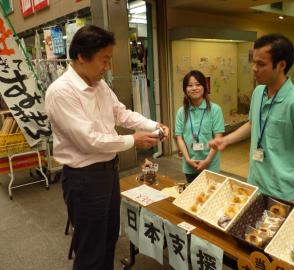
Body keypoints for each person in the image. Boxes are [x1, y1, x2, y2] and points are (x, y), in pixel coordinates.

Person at [45, 25, 169, 270]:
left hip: (108, 172)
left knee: (109, 238)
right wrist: (134, 140)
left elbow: (122, 115)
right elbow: (89, 140)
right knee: (90, 249)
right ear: (82, 56)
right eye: (105, 59)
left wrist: (153, 124)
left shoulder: (99, 85)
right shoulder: (60, 92)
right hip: (84, 179)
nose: (108, 66)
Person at [209, 34, 294, 201]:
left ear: (281, 65)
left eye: (261, 64)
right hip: (255, 184)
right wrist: (226, 140)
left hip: (281, 192)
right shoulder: (258, 92)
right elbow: (252, 124)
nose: (254, 68)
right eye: (253, 62)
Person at [175, 70, 224, 182]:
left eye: (198, 84)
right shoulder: (181, 112)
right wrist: (187, 159)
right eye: (190, 85)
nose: (194, 88)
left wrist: (207, 161)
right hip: (189, 165)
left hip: (211, 164)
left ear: (204, 87)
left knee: (210, 196)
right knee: (193, 197)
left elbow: (218, 138)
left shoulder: (215, 110)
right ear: (185, 89)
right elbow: (180, 138)